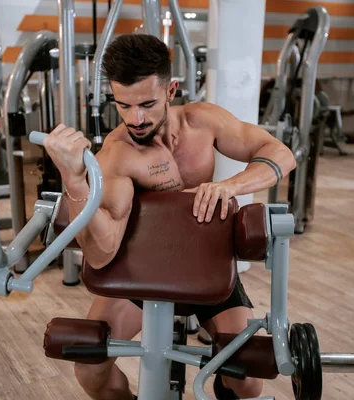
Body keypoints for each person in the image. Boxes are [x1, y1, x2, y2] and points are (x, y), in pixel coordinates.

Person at [41, 34, 296, 400]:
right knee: (90, 370)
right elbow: (101, 255)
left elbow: (280, 153)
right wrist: (74, 179)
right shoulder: (118, 154)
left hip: (206, 266)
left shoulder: (203, 122)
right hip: (142, 272)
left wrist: (230, 186)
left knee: (248, 380)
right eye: (124, 106)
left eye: (147, 103)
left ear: (171, 90)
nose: (136, 119)